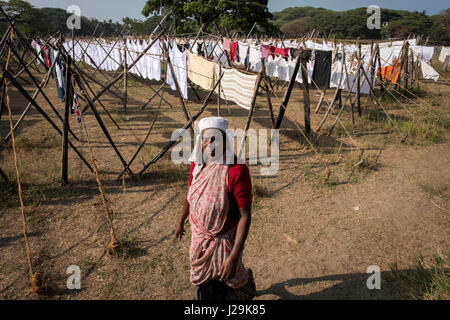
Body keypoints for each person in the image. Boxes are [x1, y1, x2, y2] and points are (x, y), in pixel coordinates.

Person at [176, 117, 256, 300]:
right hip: (199, 239)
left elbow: (245, 216)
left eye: (215, 139)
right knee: (205, 288)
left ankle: (246, 284)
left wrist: (234, 256)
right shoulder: (197, 164)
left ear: (224, 141)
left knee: (230, 282)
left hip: (223, 242)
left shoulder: (236, 170)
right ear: (200, 141)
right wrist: (181, 221)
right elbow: (191, 194)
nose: (210, 144)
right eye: (206, 139)